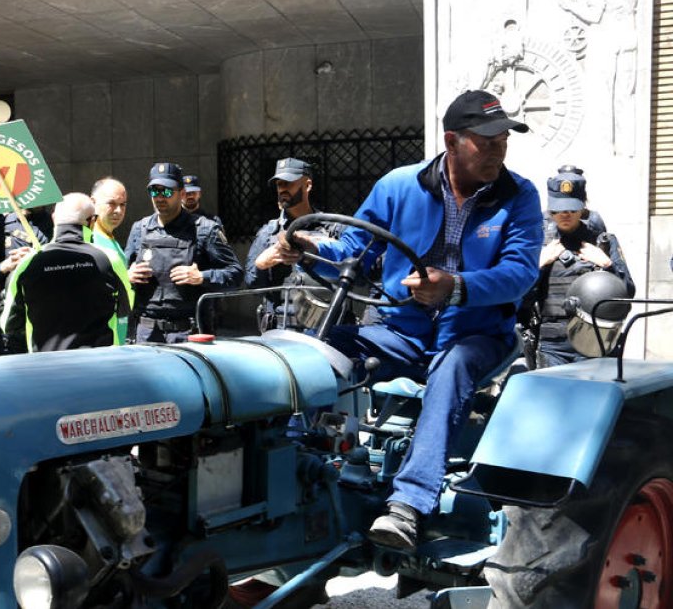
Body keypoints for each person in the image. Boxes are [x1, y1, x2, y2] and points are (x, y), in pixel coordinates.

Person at [273, 90, 543, 549]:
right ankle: (286, 456)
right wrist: (310, 249)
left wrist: (455, 288)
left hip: (479, 334)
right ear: (452, 140)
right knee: (321, 347)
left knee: (453, 366)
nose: (498, 149)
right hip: (403, 331)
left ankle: (409, 506)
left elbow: (519, 274)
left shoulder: (519, 196)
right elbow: (352, 249)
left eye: (504, 139)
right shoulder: (399, 186)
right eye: (487, 139)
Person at [522, 168, 633, 368]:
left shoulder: (603, 242)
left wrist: (607, 265)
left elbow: (627, 294)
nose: (565, 215)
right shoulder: (538, 244)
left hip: (593, 340)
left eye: (572, 209)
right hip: (552, 343)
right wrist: (537, 265)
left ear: (583, 208)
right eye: (558, 210)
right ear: (550, 210)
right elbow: (519, 297)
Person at [125, 162, 242, 343]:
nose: (160, 197)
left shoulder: (204, 229)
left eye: (167, 191)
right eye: (154, 191)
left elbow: (235, 274)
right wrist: (128, 275)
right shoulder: (139, 229)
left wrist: (202, 277)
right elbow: (122, 276)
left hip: (187, 333)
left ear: (181, 193)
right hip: (146, 333)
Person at [1, 193, 130, 352]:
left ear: (54, 219)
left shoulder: (27, 264)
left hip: (47, 365)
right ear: (92, 221)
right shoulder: (111, 259)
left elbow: (8, 323)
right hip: (100, 362)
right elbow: (126, 307)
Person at [246, 158, 345, 332]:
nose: (282, 189)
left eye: (288, 183)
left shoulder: (333, 228)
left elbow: (357, 272)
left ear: (307, 185)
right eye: (279, 184)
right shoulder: (268, 233)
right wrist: (261, 265)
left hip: (329, 327)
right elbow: (251, 284)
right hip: (282, 328)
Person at [0, 208, 53, 355]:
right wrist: (5, 266)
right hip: (11, 322)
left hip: (45, 319)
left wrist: (38, 257)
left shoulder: (54, 223)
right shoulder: (3, 225)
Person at [89, 177, 133, 343]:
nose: (118, 211)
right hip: (101, 338)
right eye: (112, 204)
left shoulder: (110, 238)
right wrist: (128, 278)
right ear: (93, 202)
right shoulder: (89, 239)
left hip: (118, 332)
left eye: (123, 205)